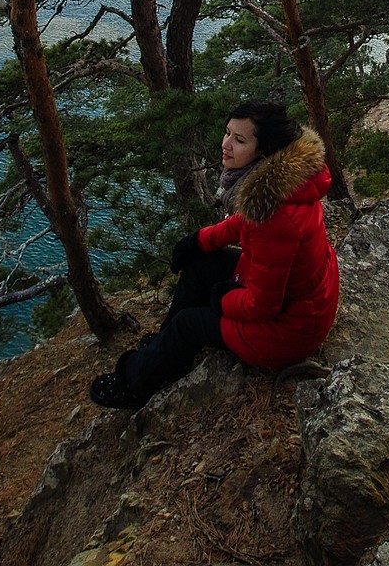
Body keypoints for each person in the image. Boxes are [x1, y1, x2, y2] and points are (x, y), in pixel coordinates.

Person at [89, 100, 340, 409]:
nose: (225, 145)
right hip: (304, 300)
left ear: (265, 150)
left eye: (239, 140)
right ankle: (163, 349)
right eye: (227, 133)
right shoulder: (283, 182)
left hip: (287, 333)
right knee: (200, 265)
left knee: (189, 324)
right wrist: (199, 241)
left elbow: (263, 307)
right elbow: (248, 221)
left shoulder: (275, 216)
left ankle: (134, 384)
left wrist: (222, 298)